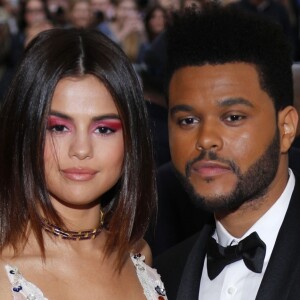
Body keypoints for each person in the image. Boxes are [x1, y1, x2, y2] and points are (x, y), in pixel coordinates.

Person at [0, 28, 167, 299]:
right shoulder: (5, 270)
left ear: (131, 140)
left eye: (103, 129)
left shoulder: (138, 255)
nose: (81, 150)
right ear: (25, 131)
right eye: (58, 128)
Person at [154, 4, 300, 299]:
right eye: (188, 120)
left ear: (285, 129)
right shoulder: (160, 277)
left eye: (233, 117)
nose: (206, 139)